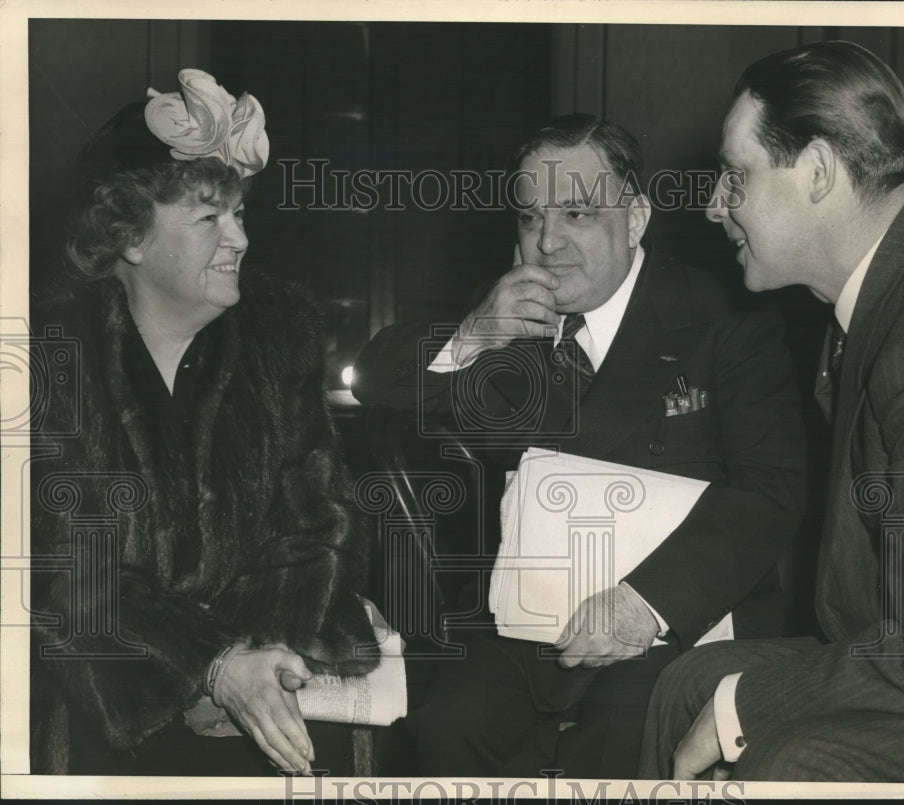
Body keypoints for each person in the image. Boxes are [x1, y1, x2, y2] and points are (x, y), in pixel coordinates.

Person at [351, 114, 807, 777]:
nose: (548, 243)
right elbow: (373, 378)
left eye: (576, 214)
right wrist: (475, 334)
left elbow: (772, 490)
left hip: (673, 618)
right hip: (532, 624)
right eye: (531, 218)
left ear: (635, 218)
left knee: (619, 749)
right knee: (445, 731)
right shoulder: (514, 319)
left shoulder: (725, 317)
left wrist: (643, 603)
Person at [638, 41, 904, 783]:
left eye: (736, 175)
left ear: (818, 172)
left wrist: (744, 709)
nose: (711, 204)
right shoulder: (880, 293)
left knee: (785, 758)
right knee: (688, 682)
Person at [29, 69, 378, 775]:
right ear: (129, 238)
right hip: (117, 685)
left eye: (241, 213)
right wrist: (208, 664)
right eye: (209, 218)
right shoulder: (51, 355)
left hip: (280, 659)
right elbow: (66, 568)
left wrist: (260, 660)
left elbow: (319, 523)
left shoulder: (280, 333)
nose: (240, 238)